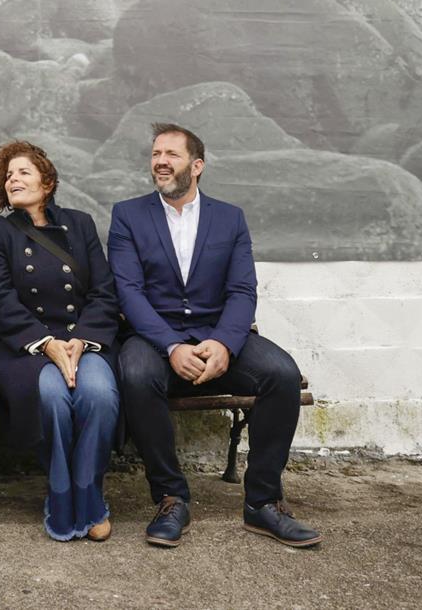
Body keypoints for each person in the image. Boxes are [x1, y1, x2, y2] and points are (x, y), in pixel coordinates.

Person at [110, 124, 319, 550]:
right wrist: (171, 345)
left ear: (197, 165)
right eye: (155, 154)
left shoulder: (230, 217)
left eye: (171, 154)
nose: (160, 162)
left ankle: (263, 503)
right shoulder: (128, 215)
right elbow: (128, 293)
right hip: (155, 338)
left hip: (218, 334)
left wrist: (225, 343)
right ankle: (171, 498)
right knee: (134, 375)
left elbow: (242, 290)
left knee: (281, 375)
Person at [0, 141, 119, 542]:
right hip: (27, 347)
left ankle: (89, 493)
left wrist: (82, 341)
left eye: (23, 172)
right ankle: (61, 493)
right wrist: (44, 343)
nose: (13, 180)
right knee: (53, 397)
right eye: (8, 176)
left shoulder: (80, 223)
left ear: (48, 182)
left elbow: (104, 292)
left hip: (82, 340)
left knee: (98, 394)